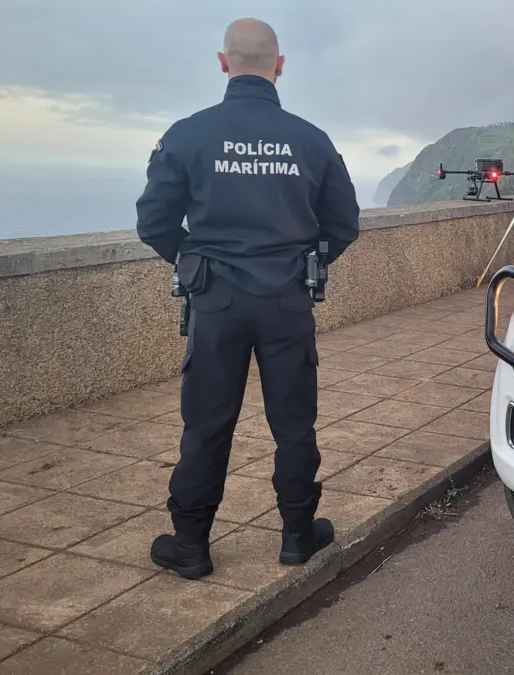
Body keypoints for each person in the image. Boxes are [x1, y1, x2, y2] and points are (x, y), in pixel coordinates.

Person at [136, 17, 361, 580]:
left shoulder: (188, 134)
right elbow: (345, 223)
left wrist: (196, 262)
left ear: (223, 62)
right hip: (287, 300)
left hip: (215, 302)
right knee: (293, 424)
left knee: (207, 424)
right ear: (279, 67)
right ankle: (296, 534)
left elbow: (154, 222)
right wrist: (304, 263)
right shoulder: (311, 139)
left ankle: (190, 543)